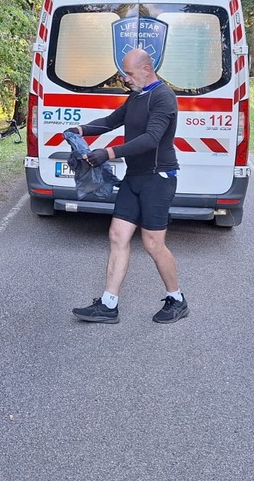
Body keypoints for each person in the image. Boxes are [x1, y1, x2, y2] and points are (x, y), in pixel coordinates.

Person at [66, 47, 187, 325]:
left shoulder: (163, 97)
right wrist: (81, 130)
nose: (125, 79)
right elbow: (111, 121)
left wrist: (108, 153)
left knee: (153, 243)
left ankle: (177, 299)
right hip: (134, 177)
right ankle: (109, 305)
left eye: (129, 74)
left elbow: (151, 139)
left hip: (159, 178)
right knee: (118, 235)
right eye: (124, 75)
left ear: (147, 69)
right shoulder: (137, 96)